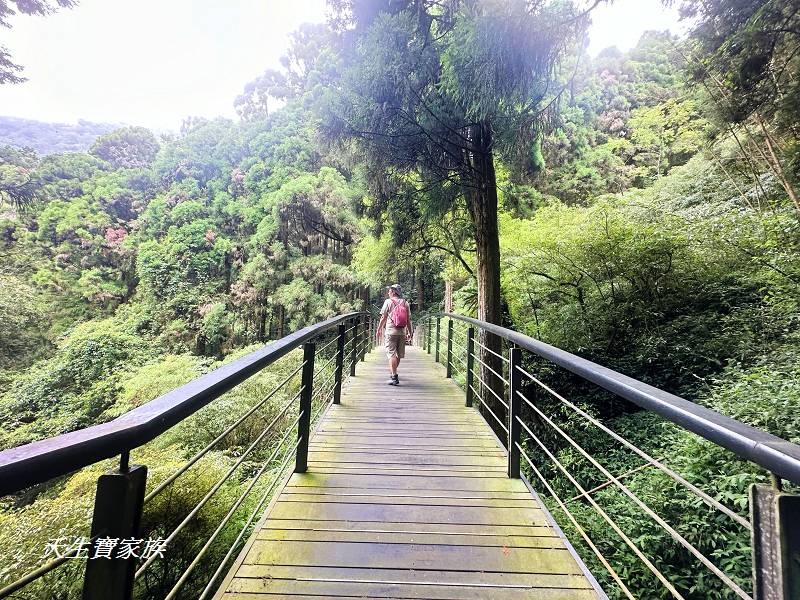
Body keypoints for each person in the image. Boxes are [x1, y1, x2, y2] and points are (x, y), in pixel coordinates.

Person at [376, 284, 413, 386]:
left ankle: (394, 377)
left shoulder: (388, 302)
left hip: (391, 332)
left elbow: (383, 317)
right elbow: (408, 320)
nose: (388, 292)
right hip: (402, 332)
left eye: (389, 291)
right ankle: (393, 372)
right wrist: (410, 332)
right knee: (398, 355)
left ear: (393, 292)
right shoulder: (405, 303)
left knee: (391, 354)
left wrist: (378, 329)